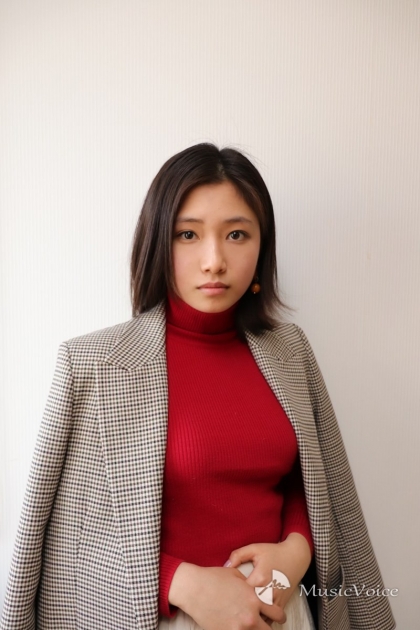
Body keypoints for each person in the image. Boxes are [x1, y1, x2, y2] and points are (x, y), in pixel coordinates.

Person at [0, 144, 395, 630]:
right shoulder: (93, 365)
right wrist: (178, 582)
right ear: (157, 243)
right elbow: (72, 537)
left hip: (281, 609)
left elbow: (311, 480)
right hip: (161, 616)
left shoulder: (290, 351)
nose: (214, 261)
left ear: (263, 245)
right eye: (188, 234)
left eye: (236, 234)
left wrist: (297, 548)